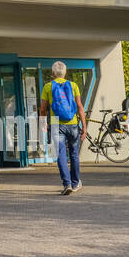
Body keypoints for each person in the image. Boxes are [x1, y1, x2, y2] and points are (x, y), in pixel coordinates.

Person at [39, 61, 88, 195]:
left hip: (56, 122)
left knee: (61, 154)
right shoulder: (73, 85)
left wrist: (43, 123)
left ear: (53, 73)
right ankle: (76, 182)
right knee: (74, 154)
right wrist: (84, 126)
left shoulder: (48, 87)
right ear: (65, 73)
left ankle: (67, 184)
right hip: (72, 122)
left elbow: (43, 109)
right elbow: (79, 107)